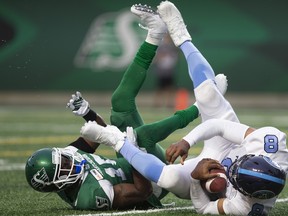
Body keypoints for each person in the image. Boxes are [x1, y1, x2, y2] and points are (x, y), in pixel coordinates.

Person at [80, 1, 288, 215]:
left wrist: (198, 180)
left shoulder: (246, 208)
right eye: (236, 167)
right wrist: (187, 141)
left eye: (235, 176)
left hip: (191, 177)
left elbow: (204, 207)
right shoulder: (270, 144)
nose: (230, 170)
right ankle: (181, 35)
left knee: (169, 174)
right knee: (207, 92)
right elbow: (219, 126)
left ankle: (114, 139)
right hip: (226, 145)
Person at [25, 3, 201, 211]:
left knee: (120, 102)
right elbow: (141, 192)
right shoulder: (90, 196)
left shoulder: (70, 156)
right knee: (141, 136)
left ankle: (155, 34)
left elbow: (97, 131)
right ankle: (200, 107)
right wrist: (131, 151)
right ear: (57, 184)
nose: (68, 163)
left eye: (62, 159)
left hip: (129, 159)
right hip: (152, 181)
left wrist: (87, 113)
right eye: (63, 168)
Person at [152, 34, 179, 108]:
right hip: (161, 71)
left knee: (170, 88)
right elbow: (156, 58)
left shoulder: (172, 48)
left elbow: (175, 57)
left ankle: (169, 104)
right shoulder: (160, 47)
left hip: (169, 71)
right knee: (159, 88)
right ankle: (157, 104)